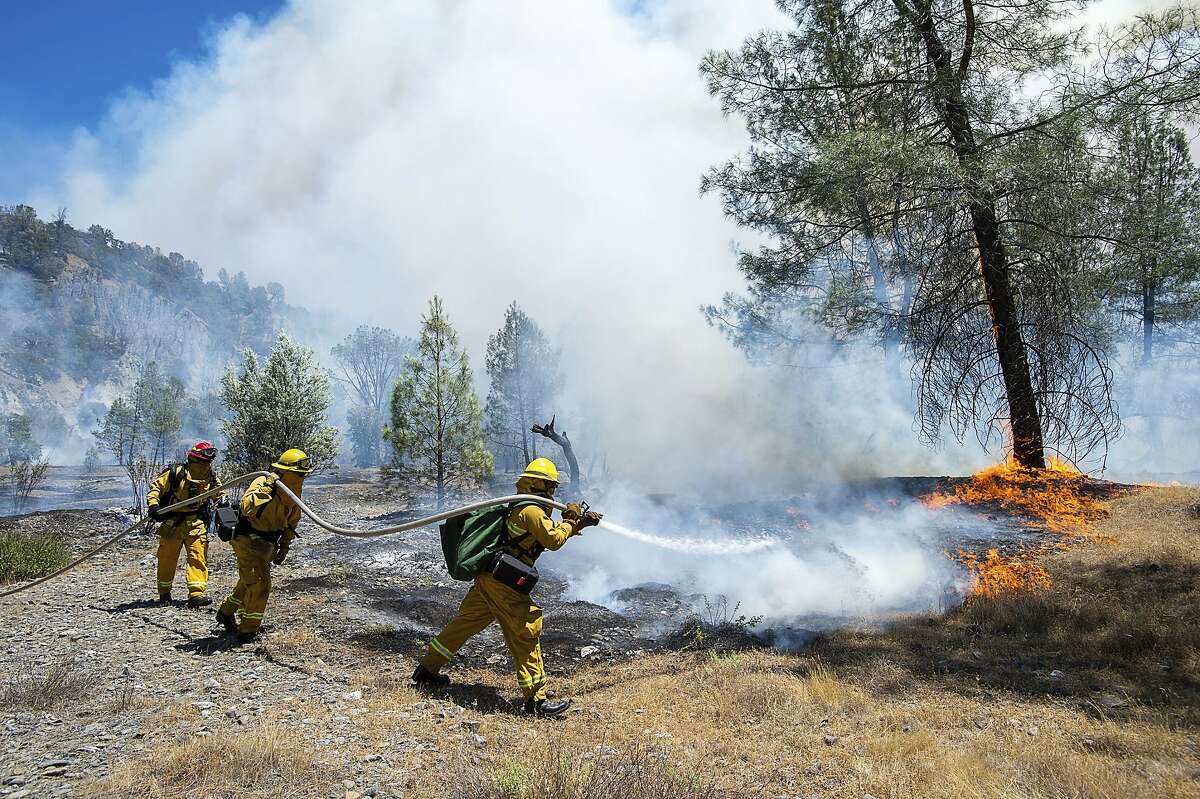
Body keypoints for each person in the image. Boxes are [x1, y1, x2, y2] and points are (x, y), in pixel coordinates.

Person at [412, 457, 601, 717]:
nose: (552, 492)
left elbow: (542, 535)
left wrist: (580, 523)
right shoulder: (531, 510)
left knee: (465, 623)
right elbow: (554, 539)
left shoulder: (523, 506)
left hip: (490, 579)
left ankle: (427, 670)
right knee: (525, 630)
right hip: (503, 584)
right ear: (540, 485)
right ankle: (536, 700)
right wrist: (570, 519)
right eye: (551, 486)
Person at [215, 448, 310, 644]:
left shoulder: (294, 492)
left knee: (249, 580)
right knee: (261, 584)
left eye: (303, 475)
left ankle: (226, 611)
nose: (300, 478)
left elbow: (292, 520)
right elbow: (247, 508)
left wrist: (285, 545)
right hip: (248, 539)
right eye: (297, 474)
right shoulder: (263, 482)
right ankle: (248, 631)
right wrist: (267, 488)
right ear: (282, 471)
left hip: (267, 544)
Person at [146, 441, 225, 608]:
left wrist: (226, 506)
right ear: (193, 459)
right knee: (167, 559)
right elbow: (156, 489)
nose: (206, 466)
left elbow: (219, 495)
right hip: (172, 522)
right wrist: (154, 506)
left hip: (195, 523)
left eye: (208, 463)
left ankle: (196, 595)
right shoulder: (176, 473)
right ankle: (165, 593)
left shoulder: (210, 477)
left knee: (198, 557)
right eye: (203, 462)